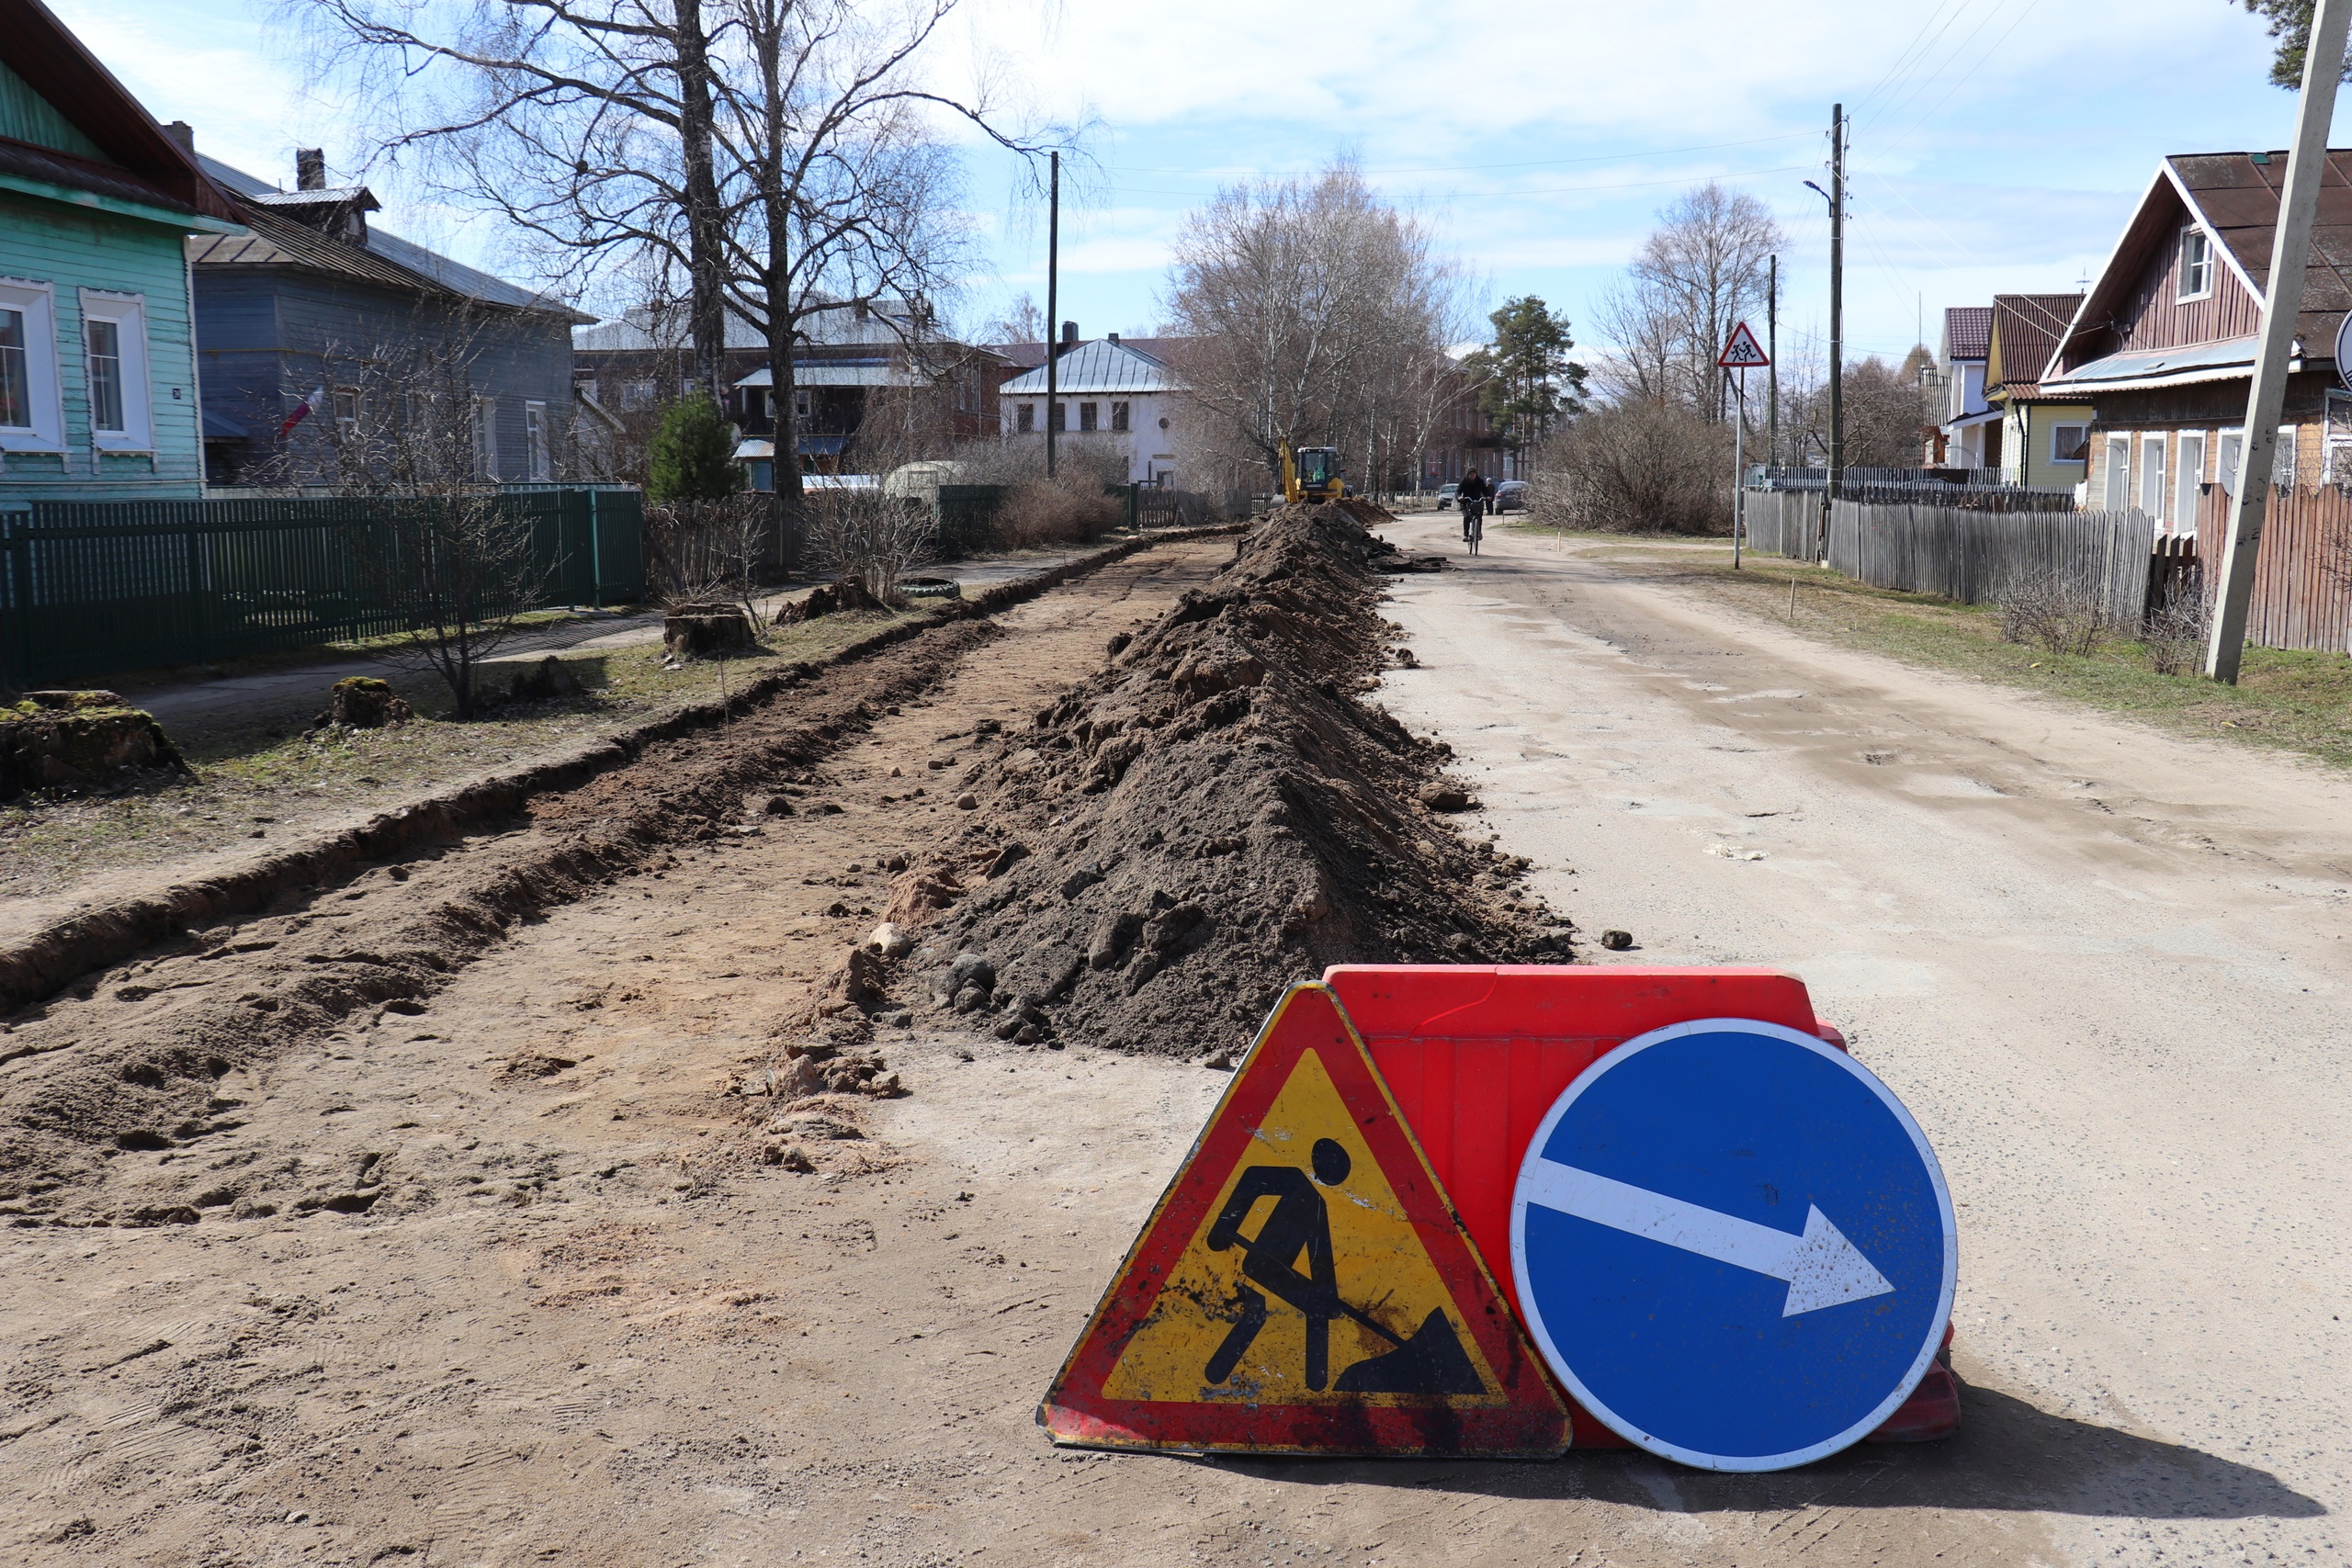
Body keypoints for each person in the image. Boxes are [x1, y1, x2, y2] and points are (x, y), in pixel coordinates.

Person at [1456, 468, 1490, 556]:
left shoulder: (1480, 481)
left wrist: (1488, 496)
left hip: (1477, 502)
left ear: (1476, 475)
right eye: (1470, 474)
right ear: (1468, 475)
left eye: (1473, 474)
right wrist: (1459, 497)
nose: (1472, 476)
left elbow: (1485, 491)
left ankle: (1478, 532)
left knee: (1479, 517)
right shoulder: (1464, 482)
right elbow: (1458, 491)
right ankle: (1466, 534)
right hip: (1466, 503)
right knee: (1467, 517)